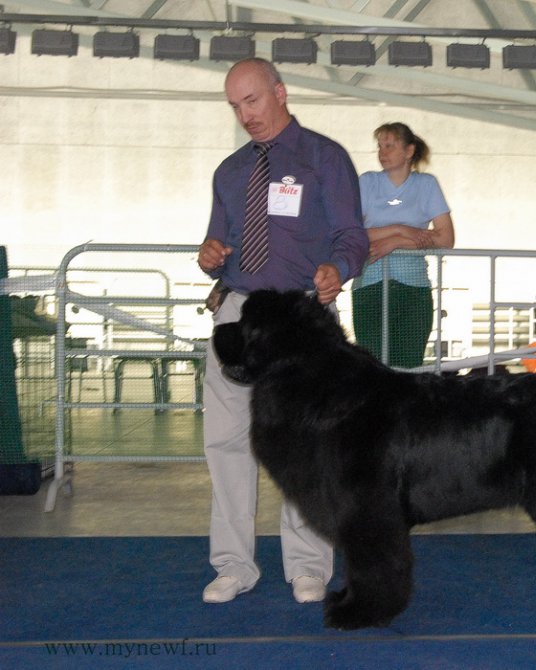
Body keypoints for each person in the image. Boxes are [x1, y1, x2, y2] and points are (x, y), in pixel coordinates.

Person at [197, 58, 369, 606]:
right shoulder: (228, 172)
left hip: (301, 319)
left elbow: (352, 237)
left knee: (308, 445)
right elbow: (215, 243)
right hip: (238, 316)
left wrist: (337, 269)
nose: (244, 115)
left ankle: (308, 567)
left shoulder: (325, 159)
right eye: (234, 106)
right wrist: (208, 255)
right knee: (225, 442)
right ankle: (232, 565)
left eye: (252, 101)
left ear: (279, 92)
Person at [351, 122, 455, 368]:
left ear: (409, 151)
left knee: (409, 367)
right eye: (380, 146)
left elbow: (445, 239)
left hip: (414, 287)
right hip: (370, 286)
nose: (382, 152)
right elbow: (353, 233)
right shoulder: (366, 182)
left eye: (390, 146)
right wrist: (402, 230)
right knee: (372, 365)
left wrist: (395, 242)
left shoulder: (426, 184)